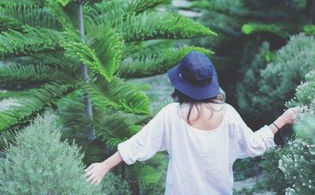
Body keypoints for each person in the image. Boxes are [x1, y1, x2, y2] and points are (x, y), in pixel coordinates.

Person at [84, 51, 300, 194]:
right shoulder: (228, 115)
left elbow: (138, 144)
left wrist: (104, 166)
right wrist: (283, 119)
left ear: (181, 85)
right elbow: (255, 145)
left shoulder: (171, 115)